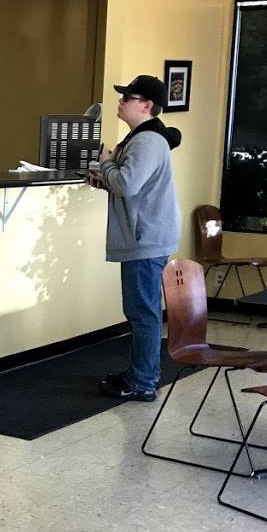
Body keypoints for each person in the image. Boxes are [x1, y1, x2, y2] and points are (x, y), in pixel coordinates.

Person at [89, 74, 182, 402]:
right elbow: (132, 185)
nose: (120, 101)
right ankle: (140, 374)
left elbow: (127, 185)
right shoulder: (144, 139)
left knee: (143, 313)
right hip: (147, 236)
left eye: (127, 97)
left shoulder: (147, 141)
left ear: (146, 105)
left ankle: (142, 381)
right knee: (143, 311)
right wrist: (105, 177)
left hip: (145, 239)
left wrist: (106, 164)